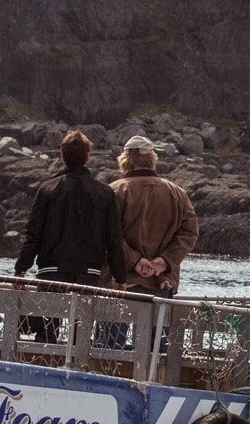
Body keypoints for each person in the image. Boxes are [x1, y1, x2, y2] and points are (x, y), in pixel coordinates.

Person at [13, 131, 125, 344]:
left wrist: (21, 269)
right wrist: (120, 278)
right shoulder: (105, 194)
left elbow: (33, 235)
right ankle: (77, 366)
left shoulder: (47, 190)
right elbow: (114, 241)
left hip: (51, 271)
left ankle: (44, 364)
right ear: (87, 157)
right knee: (79, 333)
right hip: (89, 274)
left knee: (47, 332)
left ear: (62, 155)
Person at [108, 136, 200, 301]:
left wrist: (135, 261)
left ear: (124, 160)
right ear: (152, 158)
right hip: (161, 281)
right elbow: (190, 233)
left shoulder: (114, 192)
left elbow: (108, 234)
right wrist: (165, 261)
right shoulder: (177, 193)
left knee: (111, 326)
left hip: (120, 282)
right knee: (157, 326)